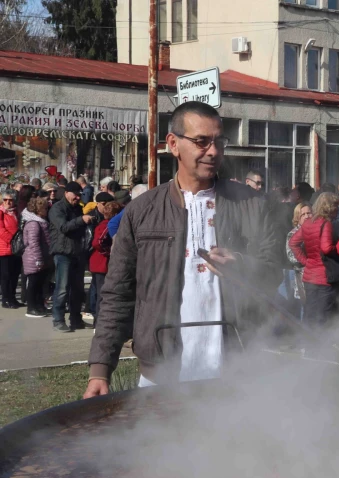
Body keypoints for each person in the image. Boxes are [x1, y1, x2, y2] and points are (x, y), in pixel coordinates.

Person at [85, 101, 282, 397]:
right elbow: (118, 294)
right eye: (201, 141)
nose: (213, 151)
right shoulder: (142, 212)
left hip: (237, 370)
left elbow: (274, 273)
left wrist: (243, 264)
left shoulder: (252, 204)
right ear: (174, 145)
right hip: (162, 374)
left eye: (219, 141)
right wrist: (100, 368)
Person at [288, 192, 339, 326]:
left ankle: (308, 345)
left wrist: (306, 261)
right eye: (335, 205)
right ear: (329, 207)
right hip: (324, 276)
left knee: (310, 313)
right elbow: (326, 248)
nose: (337, 208)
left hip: (309, 276)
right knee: (323, 316)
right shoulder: (326, 223)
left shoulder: (308, 223)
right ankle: (321, 345)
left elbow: (293, 242)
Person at [49, 182, 96, 331]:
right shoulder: (57, 208)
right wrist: (81, 220)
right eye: (74, 194)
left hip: (77, 252)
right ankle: (58, 319)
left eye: (79, 194)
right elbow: (63, 227)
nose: (77, 197)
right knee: (62, 288)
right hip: (63, 253)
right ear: (66, 193)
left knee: (77, 289)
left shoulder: (78, 208)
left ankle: (76, 319)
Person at [89, 201, 122, 322]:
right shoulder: (107, 225)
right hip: (101, 263)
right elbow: (98, 242)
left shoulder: (104, 224)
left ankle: (97, 319)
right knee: (102, 293)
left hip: (99, 263)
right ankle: (98, 321)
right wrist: (108, 252)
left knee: (98, 292)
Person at [21, 196, 52, 318]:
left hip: (41, 258)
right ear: (38, 209)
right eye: (45, 208)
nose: (46, 210)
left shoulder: (41, 222)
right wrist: (38, 260)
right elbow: (33, 244)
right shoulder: (34, 224)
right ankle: (31, 308)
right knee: (33, 285)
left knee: (39, 284)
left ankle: (39, 306)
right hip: (34, 259)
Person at [285, 202, 313, 318]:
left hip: (316, 278)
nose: (307, 216)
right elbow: (292, 257)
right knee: (304, 311)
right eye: (303, 214)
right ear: (297, 217)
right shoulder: (292, 234)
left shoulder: (316, 229)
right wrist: (309, 260)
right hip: (301, 278)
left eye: (309, 213)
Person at [0, 190, 21, 308]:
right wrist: (13, 240)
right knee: (6, 275)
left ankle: (12, 297)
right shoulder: (1, 212)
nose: (8, 202)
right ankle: (6, 299)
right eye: (5, 200)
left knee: (14, 274)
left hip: (16, 249)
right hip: (5, 248)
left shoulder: (16, 212)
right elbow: (1, 230)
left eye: (10, 200)